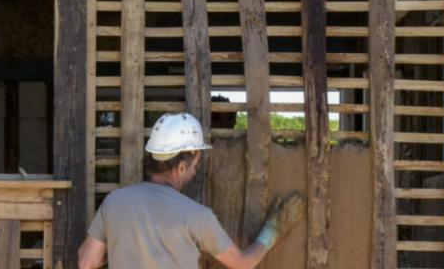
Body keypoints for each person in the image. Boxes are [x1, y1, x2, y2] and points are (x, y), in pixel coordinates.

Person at [77, 112, 301, 269]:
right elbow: (242, 263)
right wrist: (273, 231)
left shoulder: (114, 202)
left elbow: (87, 263)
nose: (195, 172)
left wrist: (123, 248)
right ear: (181, 167)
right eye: (195, 165)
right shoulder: (197, 216)